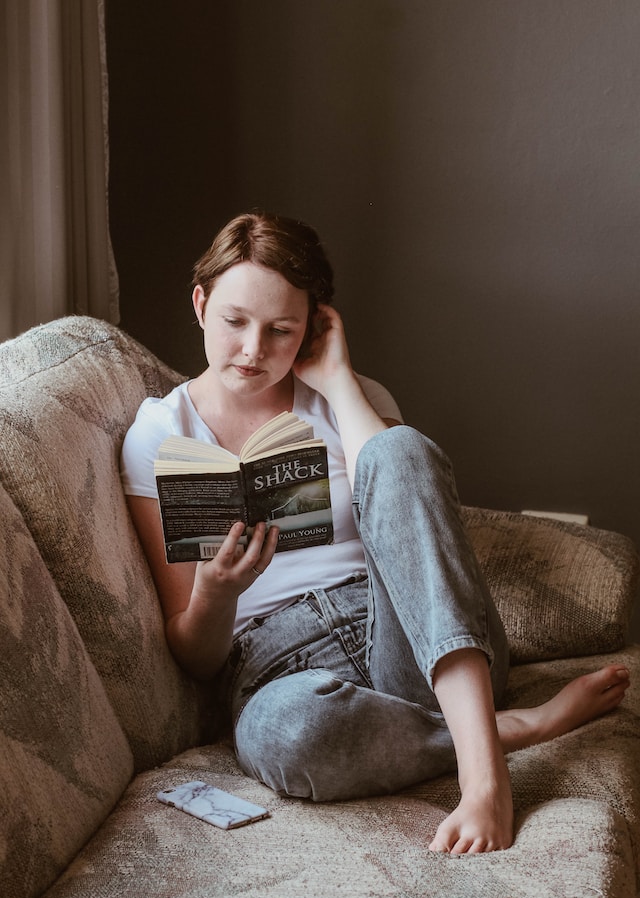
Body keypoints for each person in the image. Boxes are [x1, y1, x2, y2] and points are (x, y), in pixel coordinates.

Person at [120, 211, 630, 855]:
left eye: (282, 329)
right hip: (280, 672)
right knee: (284, 736)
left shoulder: (352, 395)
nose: (253, 350)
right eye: (235, 322)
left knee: (398, 449)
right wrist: (217, 592)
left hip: (411, 634)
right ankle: (518, 728)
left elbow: (408, 494)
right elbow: (193, 655)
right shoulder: (159, 436)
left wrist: (337, 381)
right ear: (200, 304)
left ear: (314, 326)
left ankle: (483, 779)